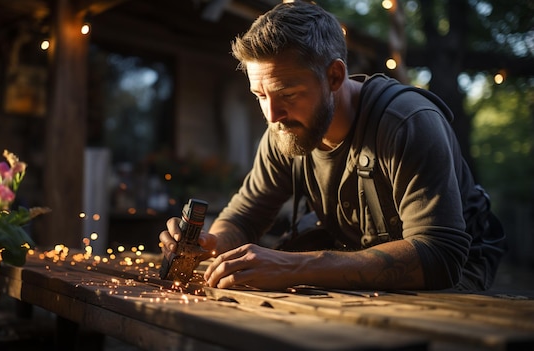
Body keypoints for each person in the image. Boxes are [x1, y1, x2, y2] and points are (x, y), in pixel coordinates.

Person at [159, 1, 505, 291]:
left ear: (335, 77)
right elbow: (244, 216)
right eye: (259, 95)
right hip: (360, 271)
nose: (273, 115)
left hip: (452, 283)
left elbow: (440, 254)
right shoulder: (284, 130)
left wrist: (294, 266)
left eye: (288, 94)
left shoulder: (407, 123)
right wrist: (208, 244)